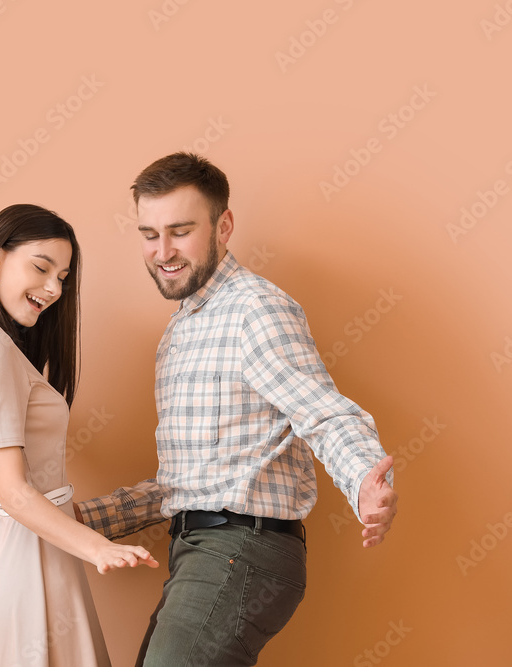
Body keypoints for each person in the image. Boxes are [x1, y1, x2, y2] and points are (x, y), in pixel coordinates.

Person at [74, 153, 399, 666]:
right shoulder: (183, 331)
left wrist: (364, 480)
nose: (163, 252)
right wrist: (78, 521)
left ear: (223, 226)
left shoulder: (254, 309)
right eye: (150, 234)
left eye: (180, 231)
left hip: (242, 550)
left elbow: (325, 414)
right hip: (203, 551)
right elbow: (187, 485)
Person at [0, 204, 158, 666]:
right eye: (41, 267)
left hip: (5, 565)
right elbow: (14, 491)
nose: (53, 288)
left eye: (62, 277)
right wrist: (97, 548)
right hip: (38, 558)